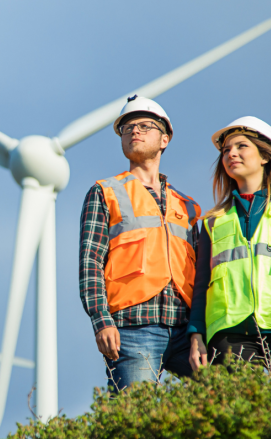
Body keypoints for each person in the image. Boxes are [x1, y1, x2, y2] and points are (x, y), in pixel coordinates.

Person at [79, 95, 201, 392]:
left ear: (165, 139)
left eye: (145, 126)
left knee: (229, 402)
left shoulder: (186, 205)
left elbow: (202, 278)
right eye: (127, 128)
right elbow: (90, 262)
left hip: (186, 331)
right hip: (132, 327)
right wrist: (101, 320)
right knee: (135, 418)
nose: (134, 131)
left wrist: (200, 331)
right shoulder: (105, 192)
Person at [188, 117, 271, 370]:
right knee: (236, 409)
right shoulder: (211, 222)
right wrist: (196, 334)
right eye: (226, 150)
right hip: (228, 331)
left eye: (241, 146)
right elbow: (201, 285)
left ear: (265, 156)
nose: (231, 154)